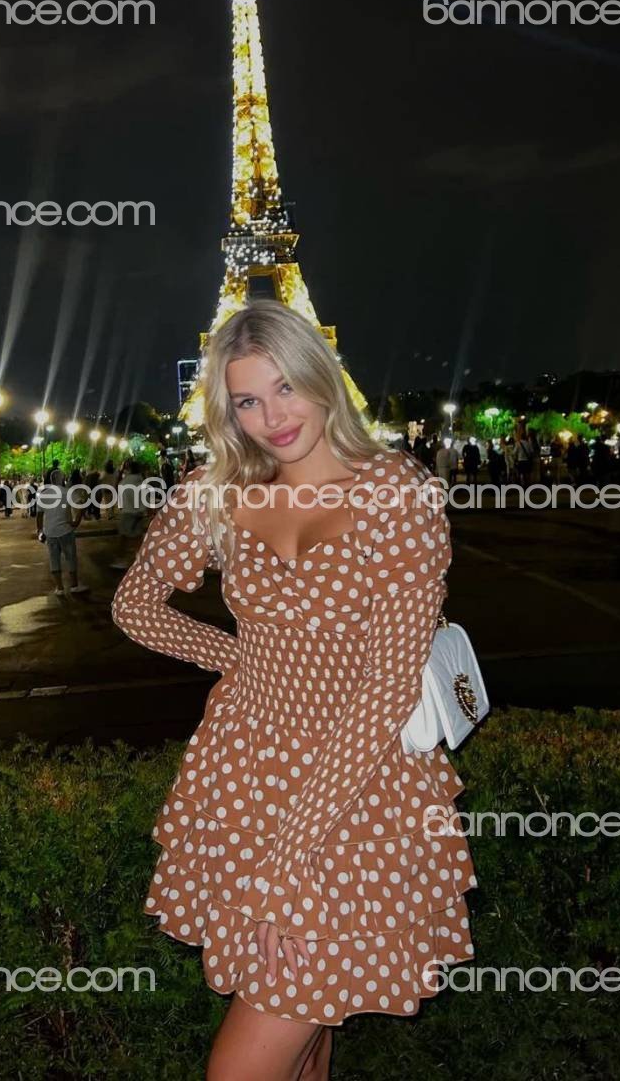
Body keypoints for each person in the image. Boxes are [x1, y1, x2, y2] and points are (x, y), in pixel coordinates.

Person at [111, 301, 475, 1079]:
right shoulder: (213, 495)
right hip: (248, 775)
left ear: (321, 377)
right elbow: (134, 607)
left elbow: (386, 689)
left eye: (285, 388)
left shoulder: (394, 493)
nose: (272, 417)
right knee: (306, 1038)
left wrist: (288, 856)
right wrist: (240, 659)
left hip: (357, 790)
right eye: (247, 400)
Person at [35, 467, 88, 595]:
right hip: (66, 530)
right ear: (63, 479)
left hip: (50, 531)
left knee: (54, 559)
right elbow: (80, 506)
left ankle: (59, 588)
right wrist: (76, 521)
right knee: (71, 558)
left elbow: (39, 515)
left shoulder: (44, 494)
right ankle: (74, 585)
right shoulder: (68, 492)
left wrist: (40, 531)